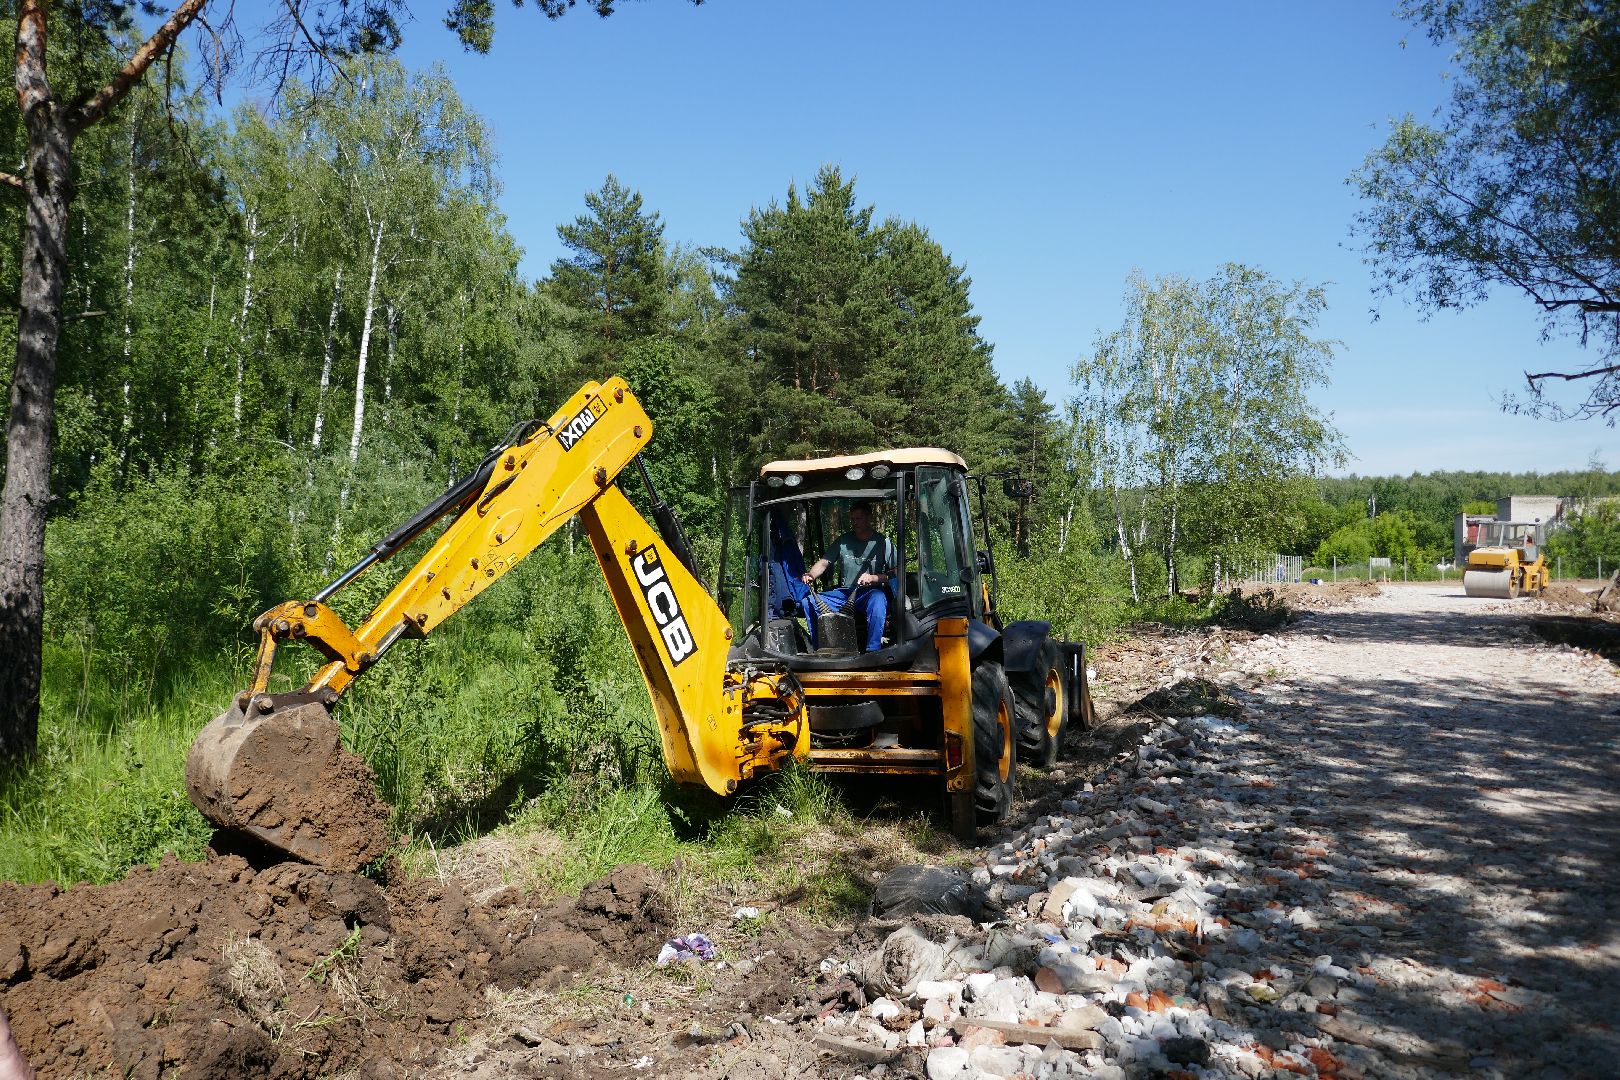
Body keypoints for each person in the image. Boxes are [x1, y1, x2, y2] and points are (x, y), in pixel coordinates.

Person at [800, 501, 895, 652]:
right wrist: (811, 574)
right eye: (852, 519)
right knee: (809, 602)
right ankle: (820, 649)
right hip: (843, 594)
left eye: (859, 519)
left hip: (868, 593)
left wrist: (873, 578)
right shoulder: (843, 541)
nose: (855, 523)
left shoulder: (883, 543)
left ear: (869, 518)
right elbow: (824, 563)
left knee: (878, 599)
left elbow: (895, 574)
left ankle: (873, 650)